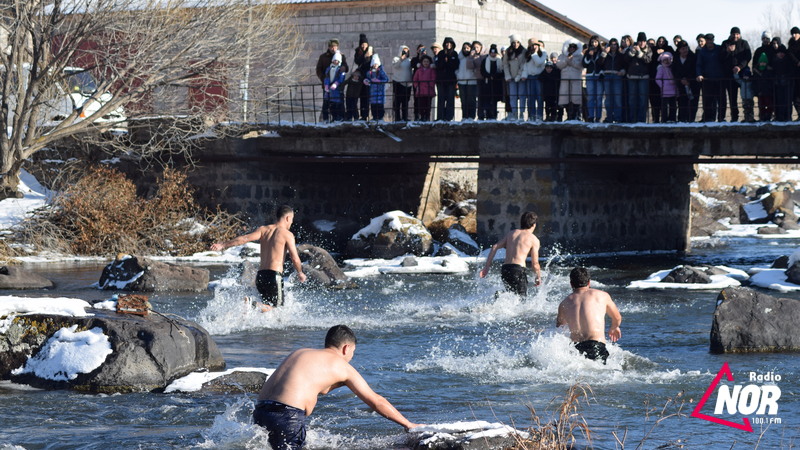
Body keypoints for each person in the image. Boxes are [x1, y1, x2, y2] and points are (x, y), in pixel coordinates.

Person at [253, 325, 422, 450]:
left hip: (261, 410)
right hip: (287, 416)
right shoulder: (341, 366)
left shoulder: (301, 352)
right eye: (352, 352)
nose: (351, 357)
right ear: (346, 348)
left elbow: (318, 388)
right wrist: (408, 424)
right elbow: (376, 401)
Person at [210, 205, 307, 309]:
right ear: (287, 218)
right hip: (274, 276)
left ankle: (251, 308)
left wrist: (222, 245)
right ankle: (252, 304)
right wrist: (300, 272)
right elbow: (294, 257)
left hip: (260, 276)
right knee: (277, 309)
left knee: (266, 308)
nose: (291, 222)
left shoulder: (263, 230)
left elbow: (244, 239)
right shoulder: (287, 234)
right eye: (291, 219)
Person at [556, 267, 622, 364]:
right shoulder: (602, 295)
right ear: (589, 282)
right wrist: (614, 327)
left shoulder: (564, 303)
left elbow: (560, 326)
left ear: (571, 284)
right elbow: (617, 317)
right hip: (595, 345)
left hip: (575, 348)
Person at [479, 211, 542, 298]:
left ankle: (499, 295)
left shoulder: (512, 233)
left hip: (505, 269)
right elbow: (535, 263)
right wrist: (538, 276)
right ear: (534, 224)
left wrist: (486, 267)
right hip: (518, 270)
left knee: (511, 296)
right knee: (522, 300)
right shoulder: (534, 239)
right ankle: (499, 295)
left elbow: (494, 247)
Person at [696, 33, 727, 122]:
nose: (709, 42)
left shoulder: (719, 48)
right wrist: (699, 74)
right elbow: (699, 64)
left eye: (711, 40)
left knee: (721, 100)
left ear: (713, 40)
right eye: (708, 40)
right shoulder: (702, 51)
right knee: (708, 100)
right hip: (707, 79)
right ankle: (710, 118)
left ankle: (721, 117)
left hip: (719, 78)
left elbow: (725, 59)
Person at [625, 32, 652, 122]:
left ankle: (641, 120)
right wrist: (632, 52)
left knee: (642, 100)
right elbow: (625, 60)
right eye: (640, 41)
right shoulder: (631, 48)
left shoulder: (649, 50)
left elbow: (648, 60)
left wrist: (640, 52)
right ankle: (632, 119)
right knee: (632, 100)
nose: (642, 43)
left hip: (643, 77)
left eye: (644, 41)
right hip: (632, 77)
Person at [556, 39, 584, 120]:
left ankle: (576, 115)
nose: (572, 48)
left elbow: (581, 66)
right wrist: (566, 61)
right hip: (565, 79)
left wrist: (572, 62)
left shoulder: (580, 56)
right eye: (570, 47)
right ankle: (568, 115)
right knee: (565, 97)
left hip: (576, 78)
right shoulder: (562, 55)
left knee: (576, 97)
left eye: (573, 47)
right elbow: (559, 65)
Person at [599, 38, 625, 123]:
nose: (613, 46)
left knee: (618, 98)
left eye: (615, 44)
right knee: (608, 99)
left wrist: (622, 71)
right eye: (611, 44)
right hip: (607, 76)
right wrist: (604, 53)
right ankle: (609, 117)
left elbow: (624, 66)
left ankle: (618, 118)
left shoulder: (620, 55)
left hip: (617, 77)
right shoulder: (605, 54)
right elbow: (600, 63)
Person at [435, 37, 459, 121]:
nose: (448, 45)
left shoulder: (454, 54)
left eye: (450, 43)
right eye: (447, 43)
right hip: (441, 80)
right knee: (441, 99)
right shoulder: (441, 53)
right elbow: (438, 65)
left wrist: (448, 61)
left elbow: (455, 65)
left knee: (450, 99)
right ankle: (440, 117)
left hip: (451, 80)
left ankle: (449, 117)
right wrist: (444, 61)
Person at [503, 34, 527, 120]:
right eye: (513, 42)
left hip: (521, 77)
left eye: (517, 42)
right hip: (511, 78)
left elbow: (524, 64)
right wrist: (508, 75)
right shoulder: (508, 51)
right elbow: (505, 64)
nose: (515, 44)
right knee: (512, 95)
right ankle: (514, 112)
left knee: (522, 95)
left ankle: (521, 113)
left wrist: (519, 75)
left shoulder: (524, 51)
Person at [582, 35, 604, 122]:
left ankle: (598, 116)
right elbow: (584, 64)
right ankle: (590, 116)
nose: (594, 44)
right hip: (590, 76)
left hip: (599, 76)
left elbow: (603, 63)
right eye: (592, 42)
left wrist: (601, 73)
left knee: (599, 97)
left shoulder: (601, 51)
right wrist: (588, 55)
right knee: (590, 97)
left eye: (595, 42)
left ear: (598, 43)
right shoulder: (588, 52)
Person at [479, 44, 504, 120]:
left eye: (494, 53)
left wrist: (495, 76)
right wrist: (488, 76)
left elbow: (501, 71)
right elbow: (482, 71)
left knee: (494, 100)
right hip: (487, 83)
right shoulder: (485, 60)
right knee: (487, 99)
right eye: (491, 52)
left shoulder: (499, 60)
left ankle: (494, 114)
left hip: (496, 83)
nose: (493, 54)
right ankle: (487, 113)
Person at [456, 41, 478, 120]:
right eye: (464, 48)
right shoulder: (460, 57)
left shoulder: (473, 57)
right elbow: (456, 68)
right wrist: (458, 75)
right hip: (462, 81)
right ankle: (464, 116)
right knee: (463, 100)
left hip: (471, 81)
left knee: (471, 100)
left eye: (468, 48)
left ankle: (471, 116)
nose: (466, 50)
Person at [322, 52, 346, 122]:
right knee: (331, 104)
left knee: (337, 104)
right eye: (335, 60)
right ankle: (334, 117)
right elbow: (326, 77)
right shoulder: (329, 68)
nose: (336, 61)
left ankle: (339, 117)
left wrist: (336, 83)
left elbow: (341, 77)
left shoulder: (340, 69)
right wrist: (326, 84)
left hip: (337, 89)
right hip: (330, 88)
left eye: (337, 60)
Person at [364, 54, 389, 121]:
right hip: (372, 92)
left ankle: (380, 117)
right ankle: (374, 116)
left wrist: (379, 81)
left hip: (380, 92)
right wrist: (366, 81)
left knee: (380, 105)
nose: (375, 65)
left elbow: (386, 79)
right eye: (374, 64)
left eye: (376, 64)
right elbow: (368, 79)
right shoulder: (369, 73)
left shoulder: (381, 72)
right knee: (373, 105)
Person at [392, 45, 413, 122]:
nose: (406, 53)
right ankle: (397, 118)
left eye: (407, 51)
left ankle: (405, 117)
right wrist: (401, 59)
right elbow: (395, 66)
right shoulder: (396, 59)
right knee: (397, 101)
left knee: (405, 102)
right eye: (404, 51)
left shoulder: (409, 61)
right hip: (398, 82)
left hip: (407, 84)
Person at [655, 52, 678, 122]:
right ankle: (664, 119)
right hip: (665, 91)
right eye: (665, 60)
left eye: (668, 60)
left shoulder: (672, 68)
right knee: (664, 107)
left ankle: (672, 118)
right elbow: (657, 78)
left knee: (673, 106)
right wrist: (662, 86)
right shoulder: (661, 68)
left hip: (673, 89)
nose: (667, 62)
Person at [412, 55, 436, 121]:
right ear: (422, 62)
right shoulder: (418, 70)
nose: (426, 63)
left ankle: (427, 116)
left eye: (427, 61)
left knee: (428, 105)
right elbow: (415, 79)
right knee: (421, 105)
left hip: (429, 90)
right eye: (424, 61)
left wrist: (429, 84)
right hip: (421, 90)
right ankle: (422, 116)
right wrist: (417, 86)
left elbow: (433, 79)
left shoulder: (431, 70)